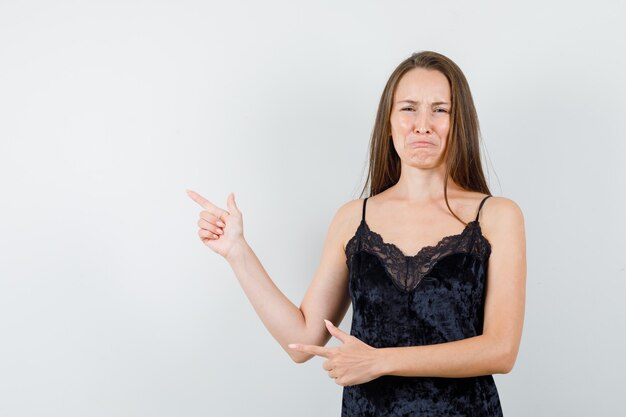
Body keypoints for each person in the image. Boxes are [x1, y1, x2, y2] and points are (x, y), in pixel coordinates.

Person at [186, 50, 526, 416]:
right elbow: (302, 339)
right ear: (389, 122)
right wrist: (237, 252)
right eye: (409, 108)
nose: (423, 124)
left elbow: (500, 350)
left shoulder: (496, 216)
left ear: (459, 122)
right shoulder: (353, 219)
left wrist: (380, 361)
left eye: (440, 109)